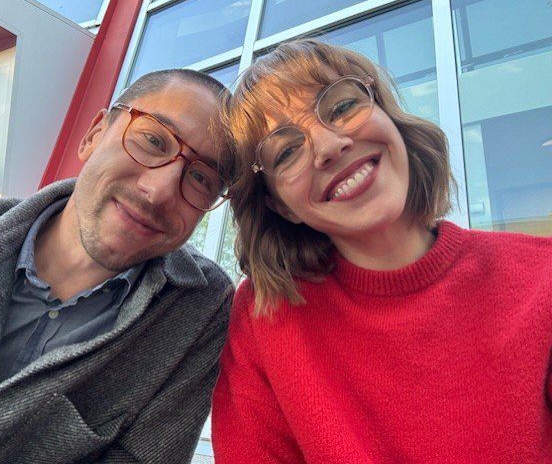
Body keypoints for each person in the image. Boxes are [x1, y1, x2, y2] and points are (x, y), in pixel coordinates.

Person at [211, 40, 552, 463]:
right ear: (281, 206)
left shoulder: (542, 276)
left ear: (387, 113)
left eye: (341, 107)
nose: (329, 146)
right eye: (286, 151)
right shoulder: (264, 319)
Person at [0, 69, 235, 464]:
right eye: (153, 141)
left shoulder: (198, 311)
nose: (159, 191)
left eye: (201, 178)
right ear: (93, 135)